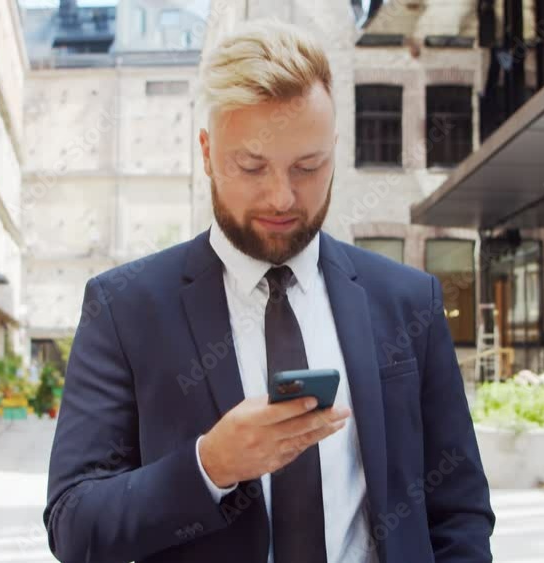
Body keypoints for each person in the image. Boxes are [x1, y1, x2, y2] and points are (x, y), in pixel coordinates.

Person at [43, 19, 494, 563]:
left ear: (334, 150)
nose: (282, 198)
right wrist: (210, 465)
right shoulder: (125, 308)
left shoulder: (406, 299)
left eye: (308, 167)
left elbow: (459, 509)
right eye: (251, 167)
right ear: (207, 153)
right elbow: (74, 526)